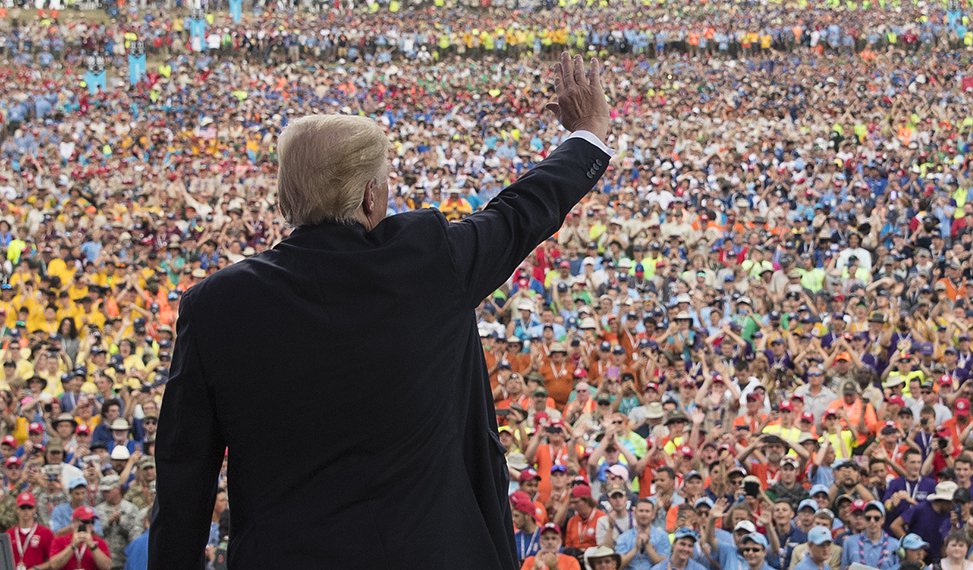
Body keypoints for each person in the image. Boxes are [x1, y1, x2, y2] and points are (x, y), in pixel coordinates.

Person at [149, 52, 611, 568]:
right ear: (371, 197)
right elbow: (522, 211)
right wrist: (587, 133)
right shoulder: (428, 261)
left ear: (285, 201)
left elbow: (182, 479)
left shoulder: (214, 306)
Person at [47, 505, 112, 570]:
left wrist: (92, 546)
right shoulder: (60, 541)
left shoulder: (99, 542)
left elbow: (107, 567)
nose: (90, 525)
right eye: (86, 522)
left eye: (92, 522)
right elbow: (54, 565)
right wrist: (72, 546)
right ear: (75, 522)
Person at [840, 501, 900, 569]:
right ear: (864, 519)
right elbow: (843, 567)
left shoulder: (895, 544)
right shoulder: (849, 542)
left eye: (876, 518)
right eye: (868, 518)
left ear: (883, 520)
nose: (872, 521)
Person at [615, 499, 670, 569]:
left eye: (647, 511)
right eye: (641, 511)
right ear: (634, 514)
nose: (644, 514)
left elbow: (665, 564)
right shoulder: (624, 537)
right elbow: (618, 565)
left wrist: (647, 546)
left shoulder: (662, 536)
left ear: (653, 515)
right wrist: (635, 548)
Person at [6, 492, 55, 570]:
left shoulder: (46, 533)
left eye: (29, 507)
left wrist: (37, 568)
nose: (26, 510)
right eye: (23, 507)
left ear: (34, 509)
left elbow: (54, 561)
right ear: (17, 509)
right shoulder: (8, 534)